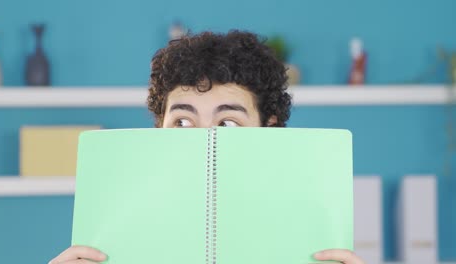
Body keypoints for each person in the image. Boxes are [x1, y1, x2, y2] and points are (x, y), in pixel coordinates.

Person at [49, 30, 365, 264]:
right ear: (160, 129)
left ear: (268, 128)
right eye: (183, 122)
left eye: (227, 123)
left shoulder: (306, 234)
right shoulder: (114, 235)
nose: (204, 139)